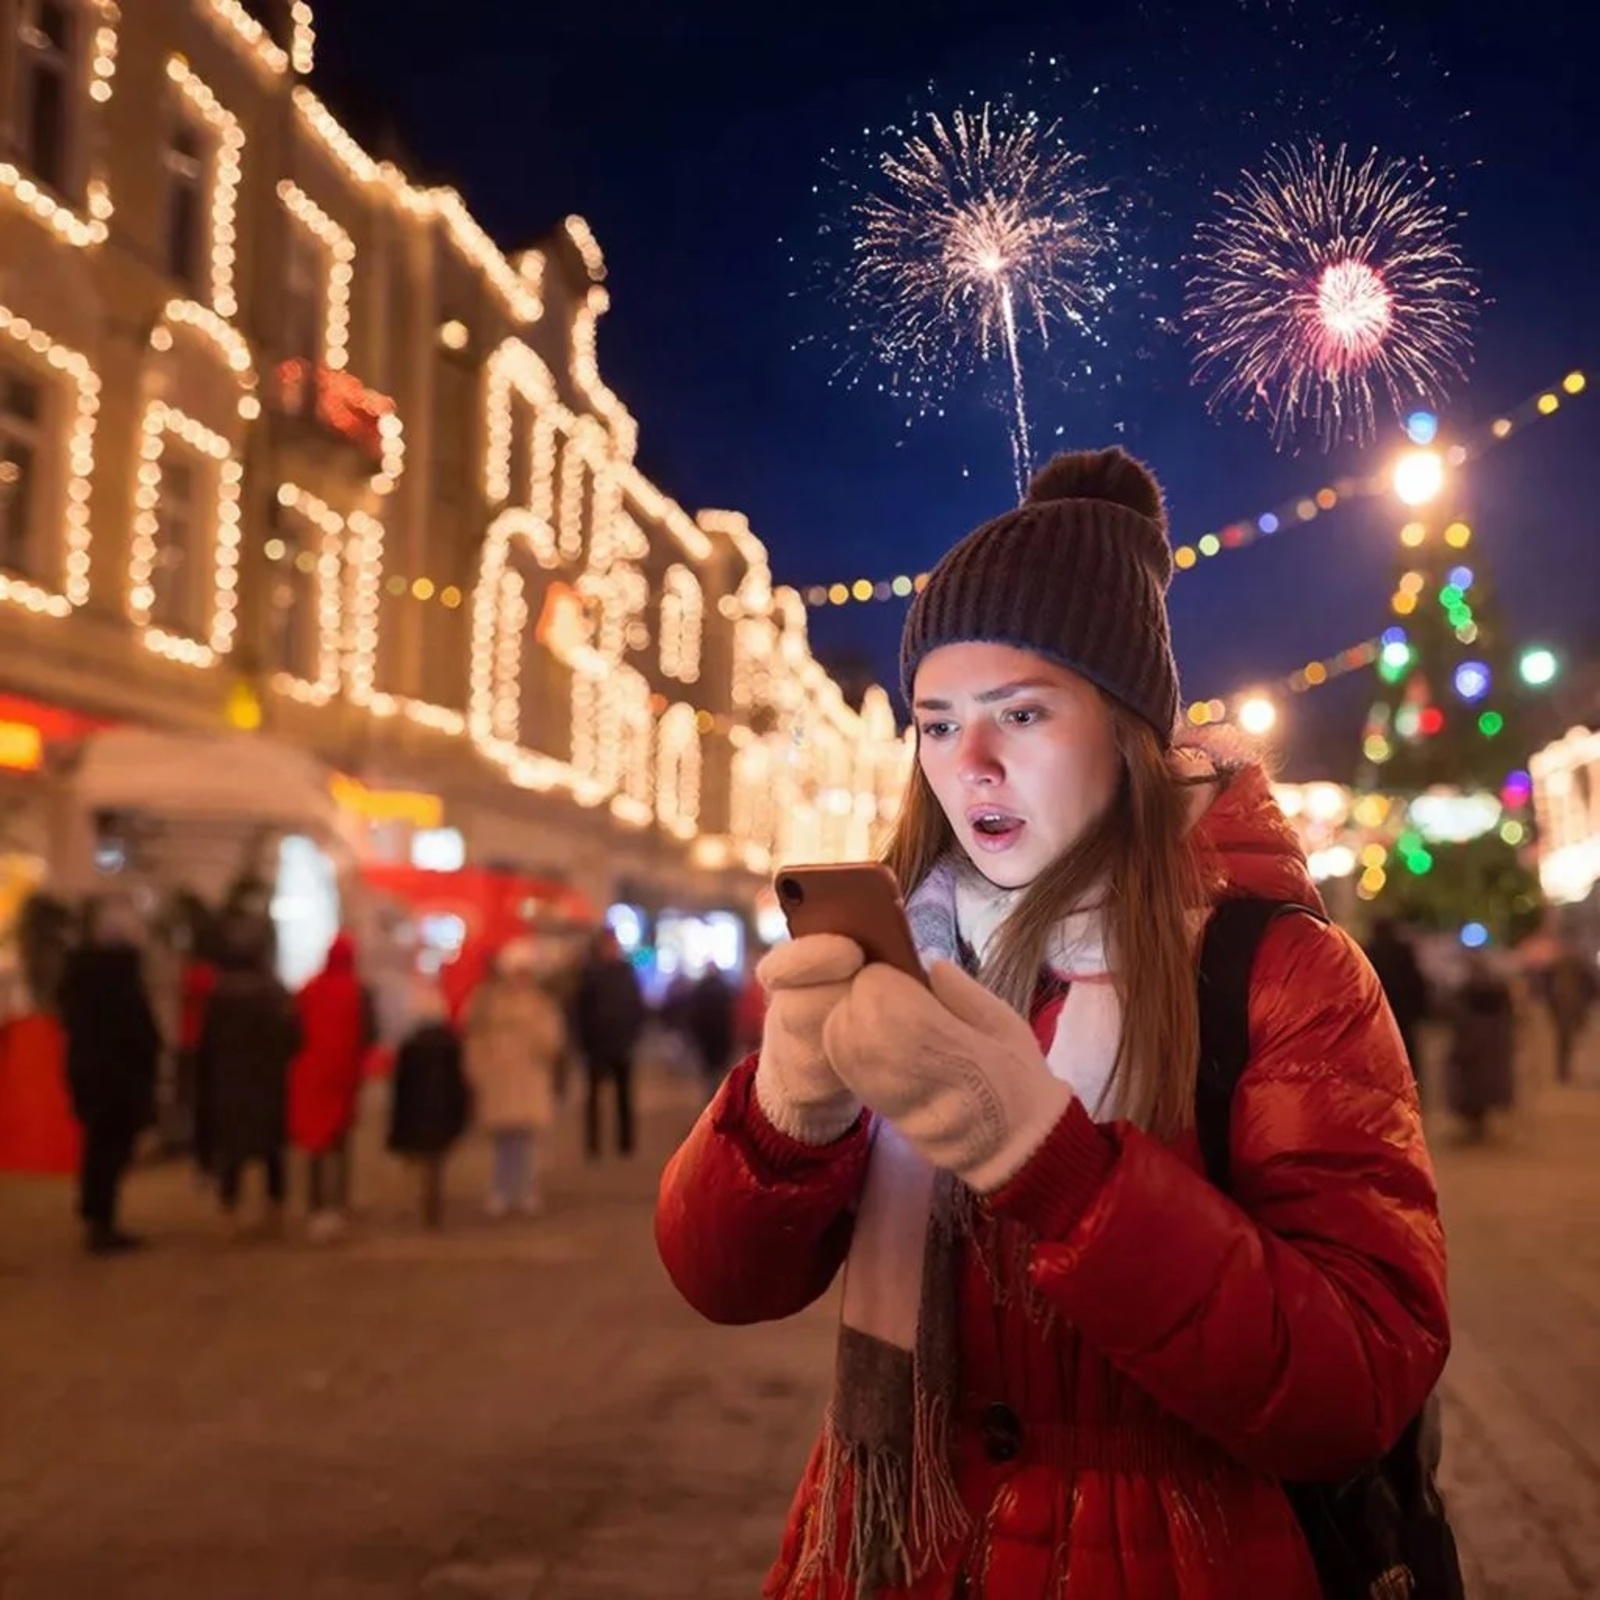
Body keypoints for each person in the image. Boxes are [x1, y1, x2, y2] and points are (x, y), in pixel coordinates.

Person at [656, 448, 1450, 1599]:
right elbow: (719, 1281)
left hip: (1168, 1556)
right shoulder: (910, 947)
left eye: (1020, 713)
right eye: (936, 723)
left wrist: (1060, 1170)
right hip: (891, 1550)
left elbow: (1356, 1380)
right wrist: (788, 1114)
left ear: (1126, 732)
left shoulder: (1281, 972)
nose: (968, 763)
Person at [56, 895, 162, 1254]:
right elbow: (139, 1033)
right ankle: (101, 1221)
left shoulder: (77, 978)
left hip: (90, 1075)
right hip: (118, 1080)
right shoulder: (120, 980)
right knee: (110, 1150)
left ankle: (96, 1216)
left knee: (98, 1148)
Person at [197, 914, 301, 1241]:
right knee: (272, 1150)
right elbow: (293, 1037)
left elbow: (207, 1044)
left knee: (233, 1151)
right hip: (268, 1080)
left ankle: (229, 1213)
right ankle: (275, 1211)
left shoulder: (220, 994)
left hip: (230, 1081)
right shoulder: (274, 992)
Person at [463, 938, 565, 1216]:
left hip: (528, 1080)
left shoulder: (540, 1003)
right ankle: (501, 1190)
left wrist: (534, 1040)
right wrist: (477, 1071)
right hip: (498, 1080)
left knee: (525, 1141)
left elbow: (553, 1039)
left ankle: (525, 1190)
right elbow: (474, 1038)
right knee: (502, 1141)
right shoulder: (487, 1001)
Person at [288, 931, 375, 1243]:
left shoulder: (309, 989)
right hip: (344, 1075)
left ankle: (315, 1207)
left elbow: (293, 1030)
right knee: (340, 1141)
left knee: (315, 1143)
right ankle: (338, 1204)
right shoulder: (359, 991)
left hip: (312, 1074)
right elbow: (369, 1033)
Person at [387, 981, 470, 1227]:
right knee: (436, 1165)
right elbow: (458, 1081)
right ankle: (433, 1206)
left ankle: (414, 1204)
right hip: (441, 1114)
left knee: (414, 1163)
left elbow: (401, 1085)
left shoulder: (410, 1045)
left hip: (414, 1114)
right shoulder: (451, 1043)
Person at [572, 928, 647, 1159]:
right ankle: (593, 1145)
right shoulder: (590, 973)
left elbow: (636, 1006)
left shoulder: (625, 972)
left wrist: (633, 1035)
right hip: (597, 1045)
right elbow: (580, 1011)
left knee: (623, 1097)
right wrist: (584, 1041)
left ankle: (625, 1143)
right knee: (594, 1099)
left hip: (622, 1043)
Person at [1444, 953, 1516, 1141]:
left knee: (1469, 1085)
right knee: (1485, 1083)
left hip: (1471, 1043)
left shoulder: (1465, 991)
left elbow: (1454, 1014)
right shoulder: (1498, 990)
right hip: (1491, 1044)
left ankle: (1474, 1126)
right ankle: (1479, 1125)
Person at [1364, 916, 1431, 1092]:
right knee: (1406, 1054)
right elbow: (1416, 984)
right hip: (1403, 1016)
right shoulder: (1403, 952)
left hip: (1378, 1018)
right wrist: (1421, 1012)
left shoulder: (1368, 953)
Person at [1543, 940, 1597, 1084]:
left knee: (1564, 1039)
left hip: (1564, 1005)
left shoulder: (1559, 965)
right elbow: (1591, 985)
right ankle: (1564, 1070)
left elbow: (1546, 986)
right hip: (1569, 1005)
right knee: (1566, 1038)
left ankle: (1563, 1070)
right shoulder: (1576, 965)